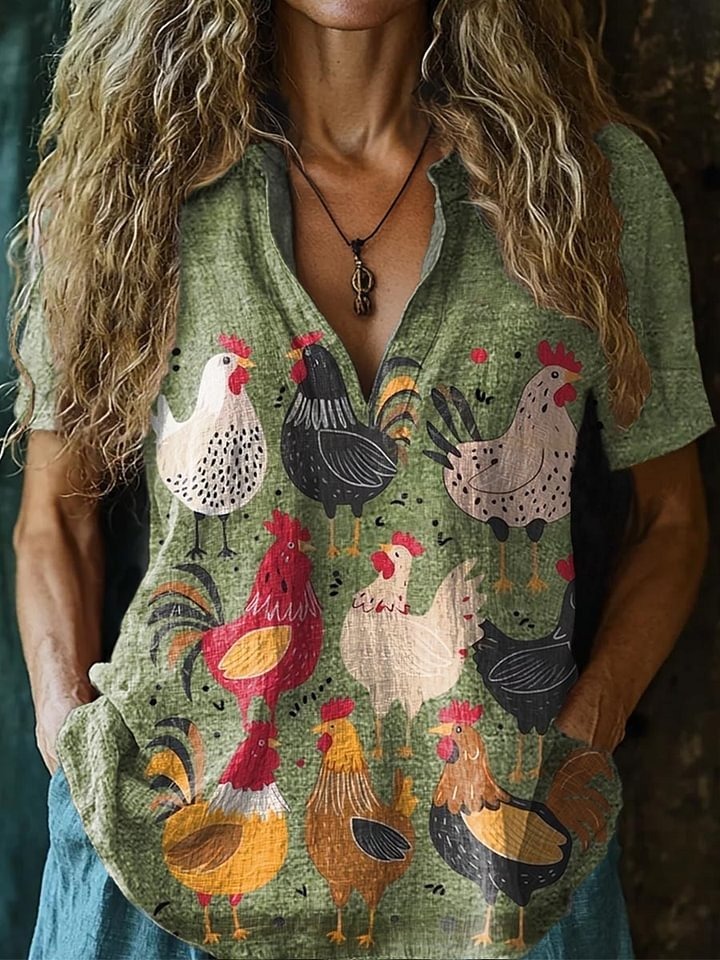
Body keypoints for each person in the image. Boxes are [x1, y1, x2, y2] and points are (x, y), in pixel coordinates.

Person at [7, 0, 715, 958]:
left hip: (501, 875)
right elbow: (55, 515)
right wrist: (70, 742)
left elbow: (671, 520)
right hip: (162, 868)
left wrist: (586, 731)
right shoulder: (127, 179)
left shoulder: (588, 184)